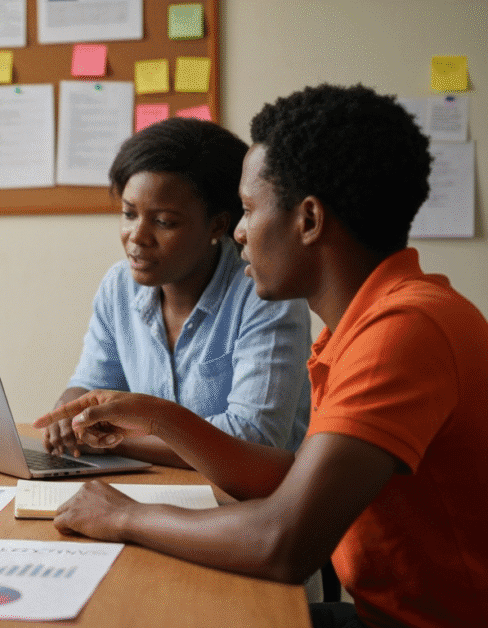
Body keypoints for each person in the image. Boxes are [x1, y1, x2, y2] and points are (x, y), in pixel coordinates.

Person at [35, 84, 488, 628]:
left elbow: (282, 542)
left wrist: (128, 516)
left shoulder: (403, 332)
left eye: (248, 210)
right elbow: (289, 477)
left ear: (310, 220)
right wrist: (154, 414)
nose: (241, 233)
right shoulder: (370, 321)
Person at [44, 118, 311, 468]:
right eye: (128, 213)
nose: (137, 237)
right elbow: (91, 383)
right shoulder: (118, 286)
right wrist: (69, 418)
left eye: (164, 222)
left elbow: (252, 437)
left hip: (250, 501)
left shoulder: (266, 294)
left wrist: (114, 443)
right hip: (157, 490)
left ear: (218, 224)